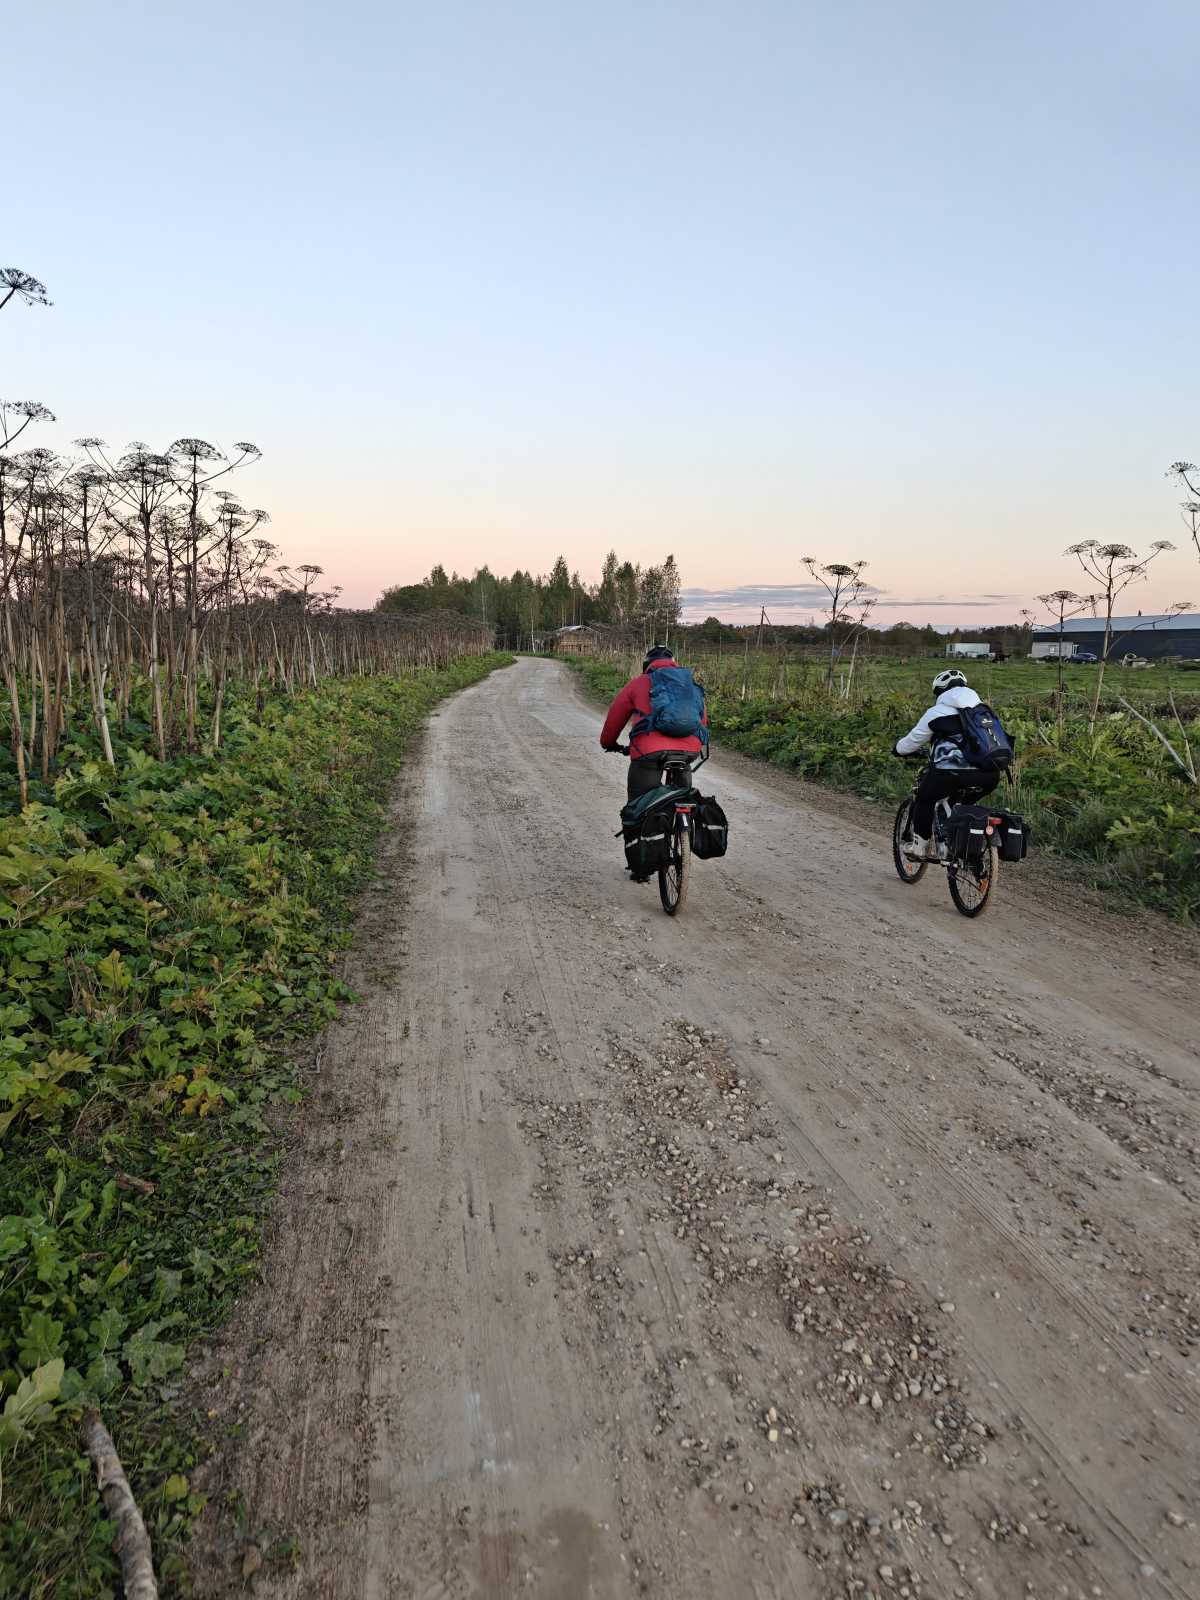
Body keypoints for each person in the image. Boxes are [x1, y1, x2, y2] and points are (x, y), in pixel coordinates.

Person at [894, 669, 1000, 860]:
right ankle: (955, 843)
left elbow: (910, 742)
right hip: (990, 774)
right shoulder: (984, 712)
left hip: (950, 772)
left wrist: (897, 749)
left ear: (940, 692)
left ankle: (919, 848)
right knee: (961, 806)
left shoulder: (936, 713)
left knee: (924, 799)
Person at [600, 645, 707, 800]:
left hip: (649, 751)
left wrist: (608, 743)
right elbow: (702, 720)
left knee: (639, 804)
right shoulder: (688, 684)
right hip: (688, 751)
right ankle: (686, 812)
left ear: (647, 665)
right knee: (684, 799)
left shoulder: (638, 683)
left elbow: (615, 718)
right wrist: (693, 744)